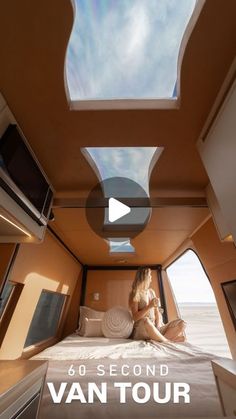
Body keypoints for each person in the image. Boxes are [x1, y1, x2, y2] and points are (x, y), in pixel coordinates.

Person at [129, 267, 186, 343]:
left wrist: (158, 325)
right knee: (146, 320)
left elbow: (157, 312)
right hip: (143, 328)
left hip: (155, 327)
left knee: (182, 323)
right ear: (144, 277)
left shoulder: (152, 292)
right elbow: (135, 318)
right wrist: (149, 306)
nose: (151, 277)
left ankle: (160, 339)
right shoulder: (135, 293)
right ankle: (167, 342)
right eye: (149, 275)